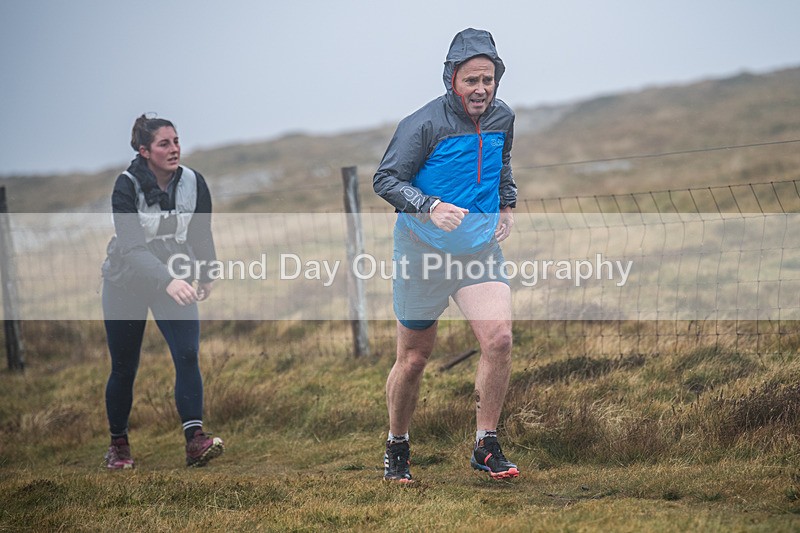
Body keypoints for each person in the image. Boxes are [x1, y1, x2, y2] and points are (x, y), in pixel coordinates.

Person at [373, 28, 518, 482]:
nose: (481, 90)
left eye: (488, 80)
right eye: (471, 80)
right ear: (452, 79)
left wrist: (507, 201)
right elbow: (386, 180)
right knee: (414, 358)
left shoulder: (503, 117)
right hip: (422, 253)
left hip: (478, 250)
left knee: (499, 340)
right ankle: (397, 445)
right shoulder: (423, 124)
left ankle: (485, 445)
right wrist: (430, 207)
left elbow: (502, 162)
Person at [100, 114, 224, 469]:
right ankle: (119, 445)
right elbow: (133, 248)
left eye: (176, 141)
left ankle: (195, 441)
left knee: (187, 354)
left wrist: (206, 273)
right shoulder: (125, 186)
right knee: (124, 366)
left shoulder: (194, 181)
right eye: (164, 144)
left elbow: (201, 232)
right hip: (126, 281)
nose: (174, 149)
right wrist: (167, 281)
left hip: (176, 277)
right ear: (144, 150)